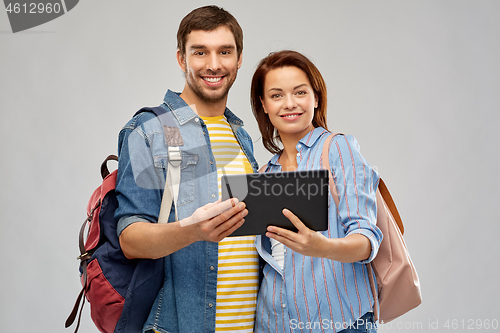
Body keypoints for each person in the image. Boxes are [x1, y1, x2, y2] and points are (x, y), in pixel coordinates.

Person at [114, 6, 260, 333]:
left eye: (225, 51)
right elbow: (131, 238)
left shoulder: (241, 136)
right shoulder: (152, 130)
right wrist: (193, 231)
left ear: (238, 59)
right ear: (182, 59)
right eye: (200, 52)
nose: (213, 64)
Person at [250, 50, 383, 333]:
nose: (289, 104)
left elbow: (367, 240)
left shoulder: (337, 149)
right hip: (273, 325)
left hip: (340, 325)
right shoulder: (263, 175)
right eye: (276, 95)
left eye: (300, 92)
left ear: (316, 97)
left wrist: (321, 247)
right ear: (263, 104)